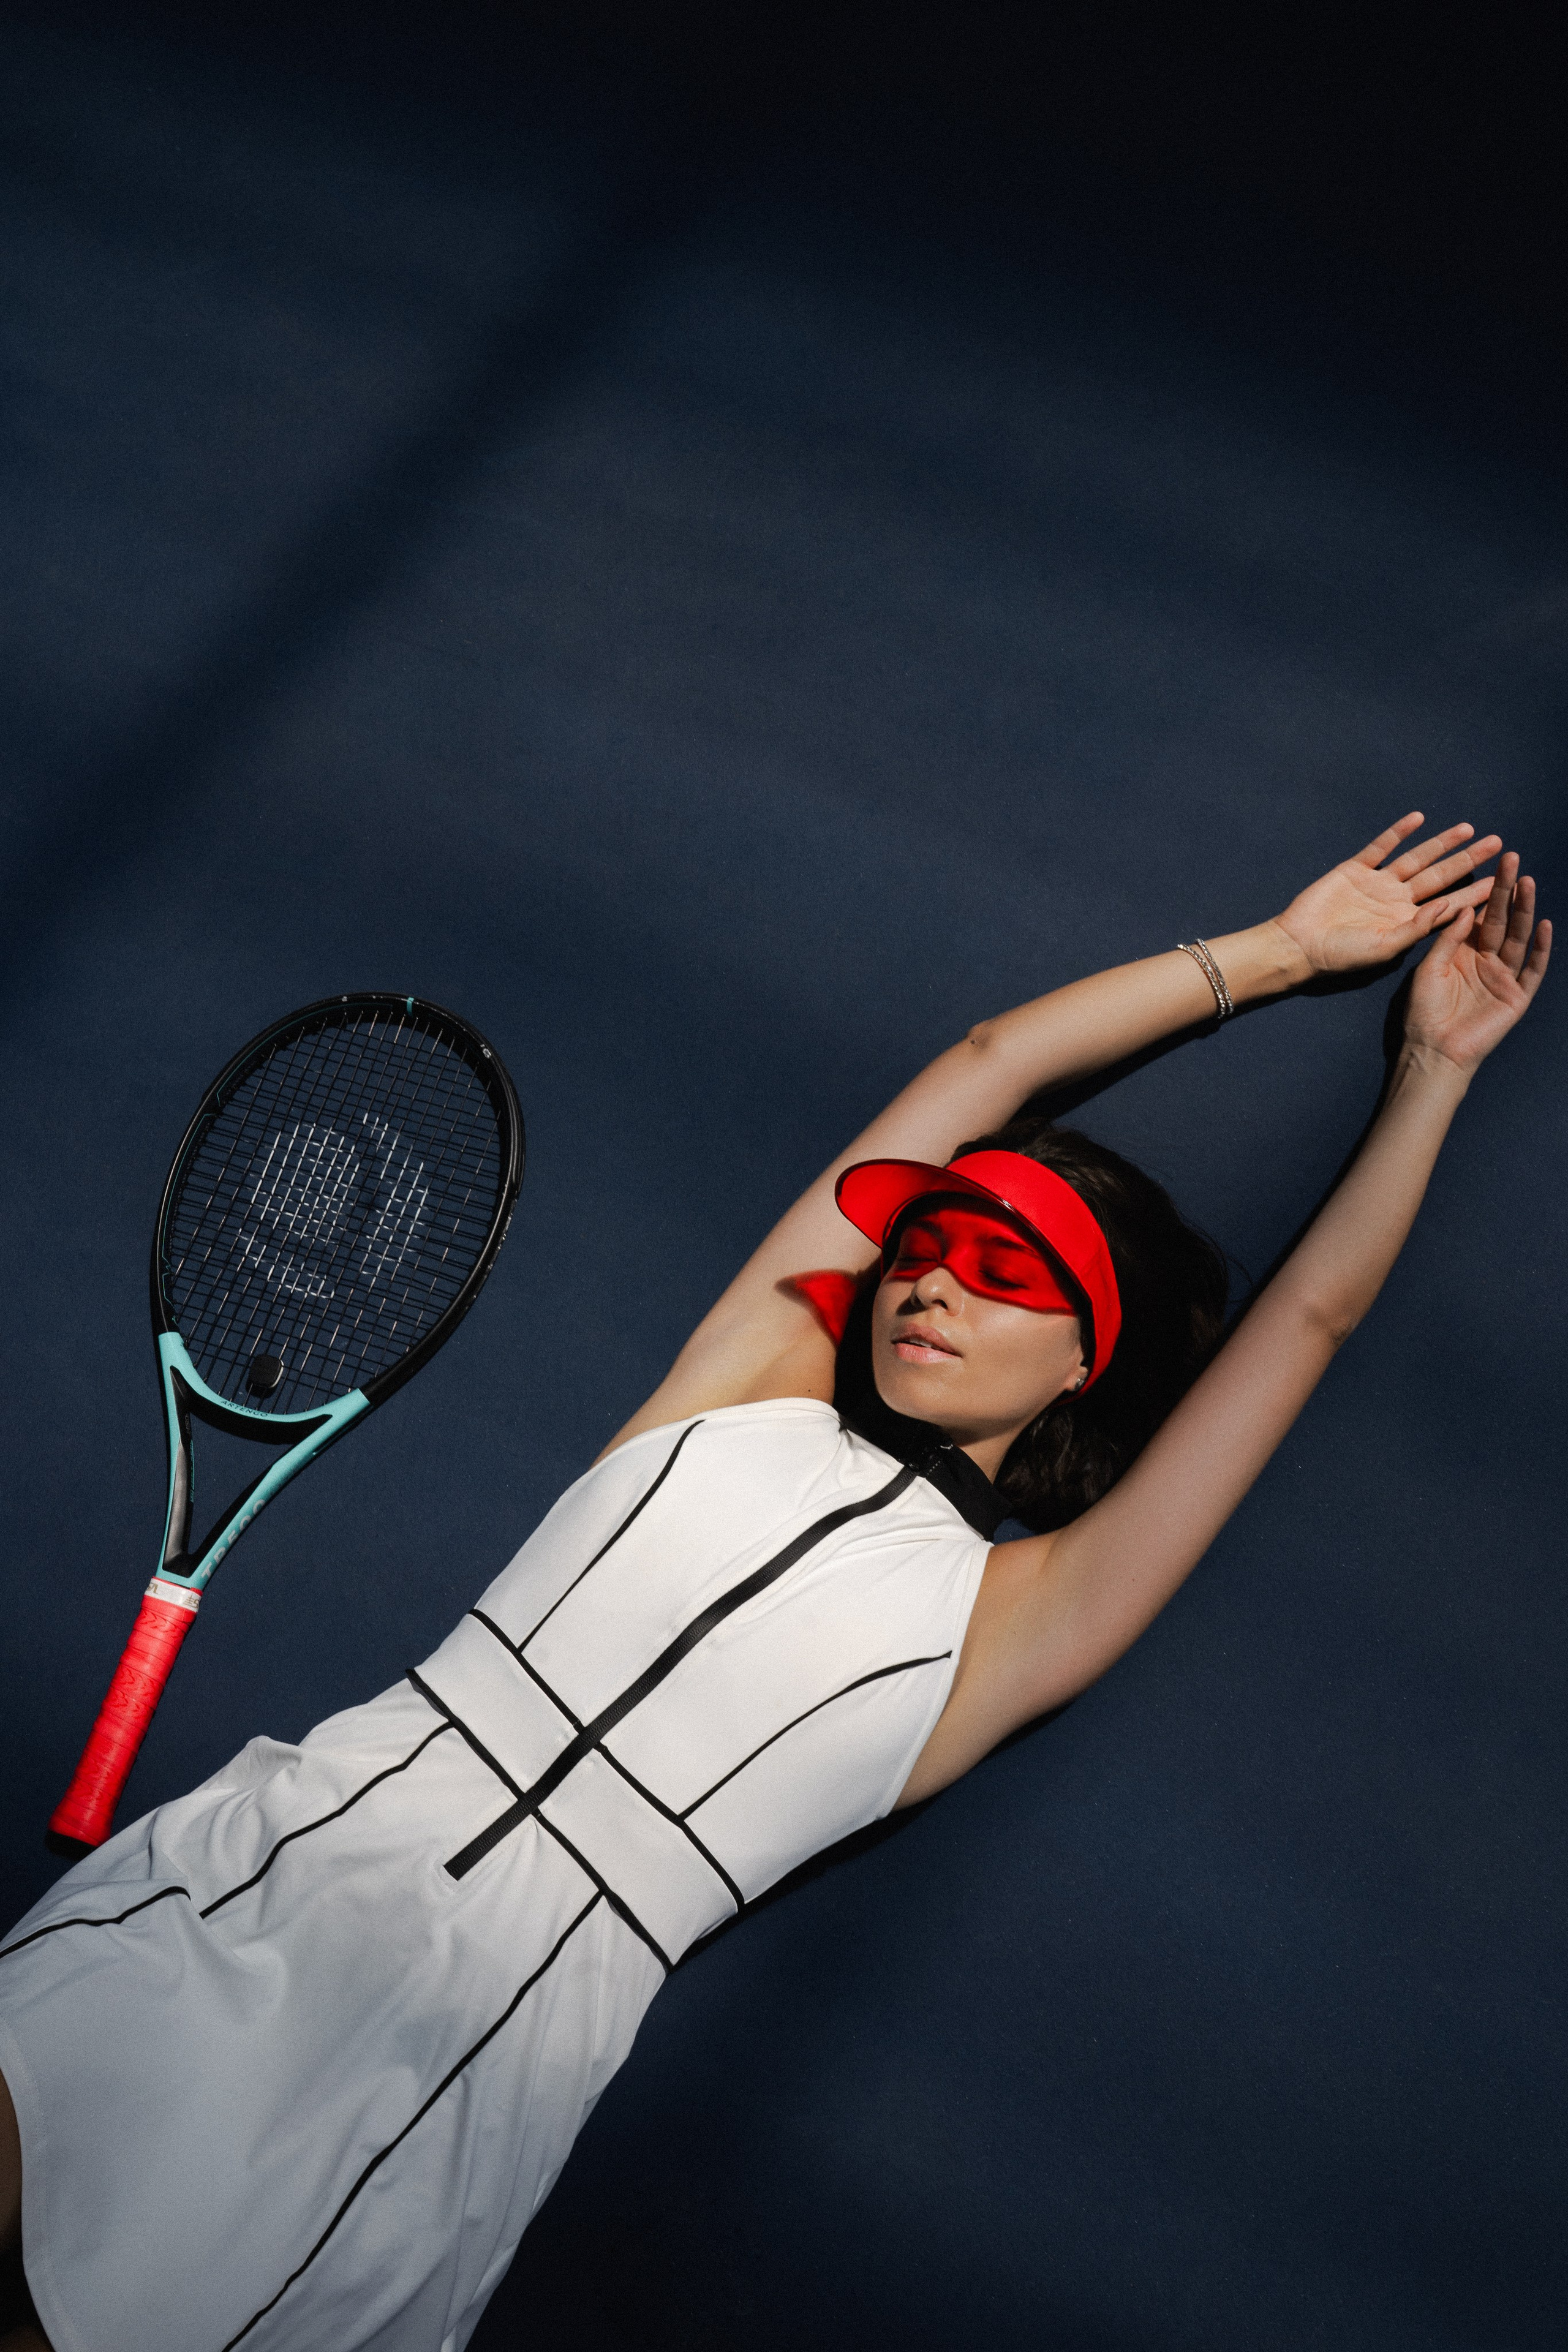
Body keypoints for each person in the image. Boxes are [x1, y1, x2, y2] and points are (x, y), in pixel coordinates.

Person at [0, 815, 1548, 2352]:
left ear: (1088, 1358)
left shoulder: (1012, 1623)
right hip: (267, 1854)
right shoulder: (745, 1387)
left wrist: (1432, 1073)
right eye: (930, 1241)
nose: (937, 1276)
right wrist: (1278, 953)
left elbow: (1306, 1327)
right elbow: (987, 1061)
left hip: (449, 2068)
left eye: (1009, 1270)